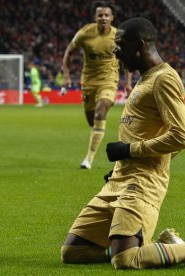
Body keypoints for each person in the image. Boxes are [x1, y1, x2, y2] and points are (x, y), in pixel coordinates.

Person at [60, 17, 185, 269]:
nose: (114, 50)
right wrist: (125, 161)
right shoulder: (145, 78)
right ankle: (165, 247)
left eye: (120, 44)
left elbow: (180, 136)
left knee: (125, 259)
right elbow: (158, 136)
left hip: (143, 183)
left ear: (140, 45)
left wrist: (130, 150)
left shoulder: (164, 79)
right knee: (73, 251)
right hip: (119, 179)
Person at [62, 1, 133, 169]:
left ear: (112, 17)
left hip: (109, 80)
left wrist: (128, 82)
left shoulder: (118, 36)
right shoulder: (85, 32)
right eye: (100, 15)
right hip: (88, 81)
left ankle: (89, 158)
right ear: (95, 17)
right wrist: (66, 74)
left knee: (101, 112)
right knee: (92, 120)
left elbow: (127, 59)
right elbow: (69, 51)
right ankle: (96, 132)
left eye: (106, 15)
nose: (103, 18)